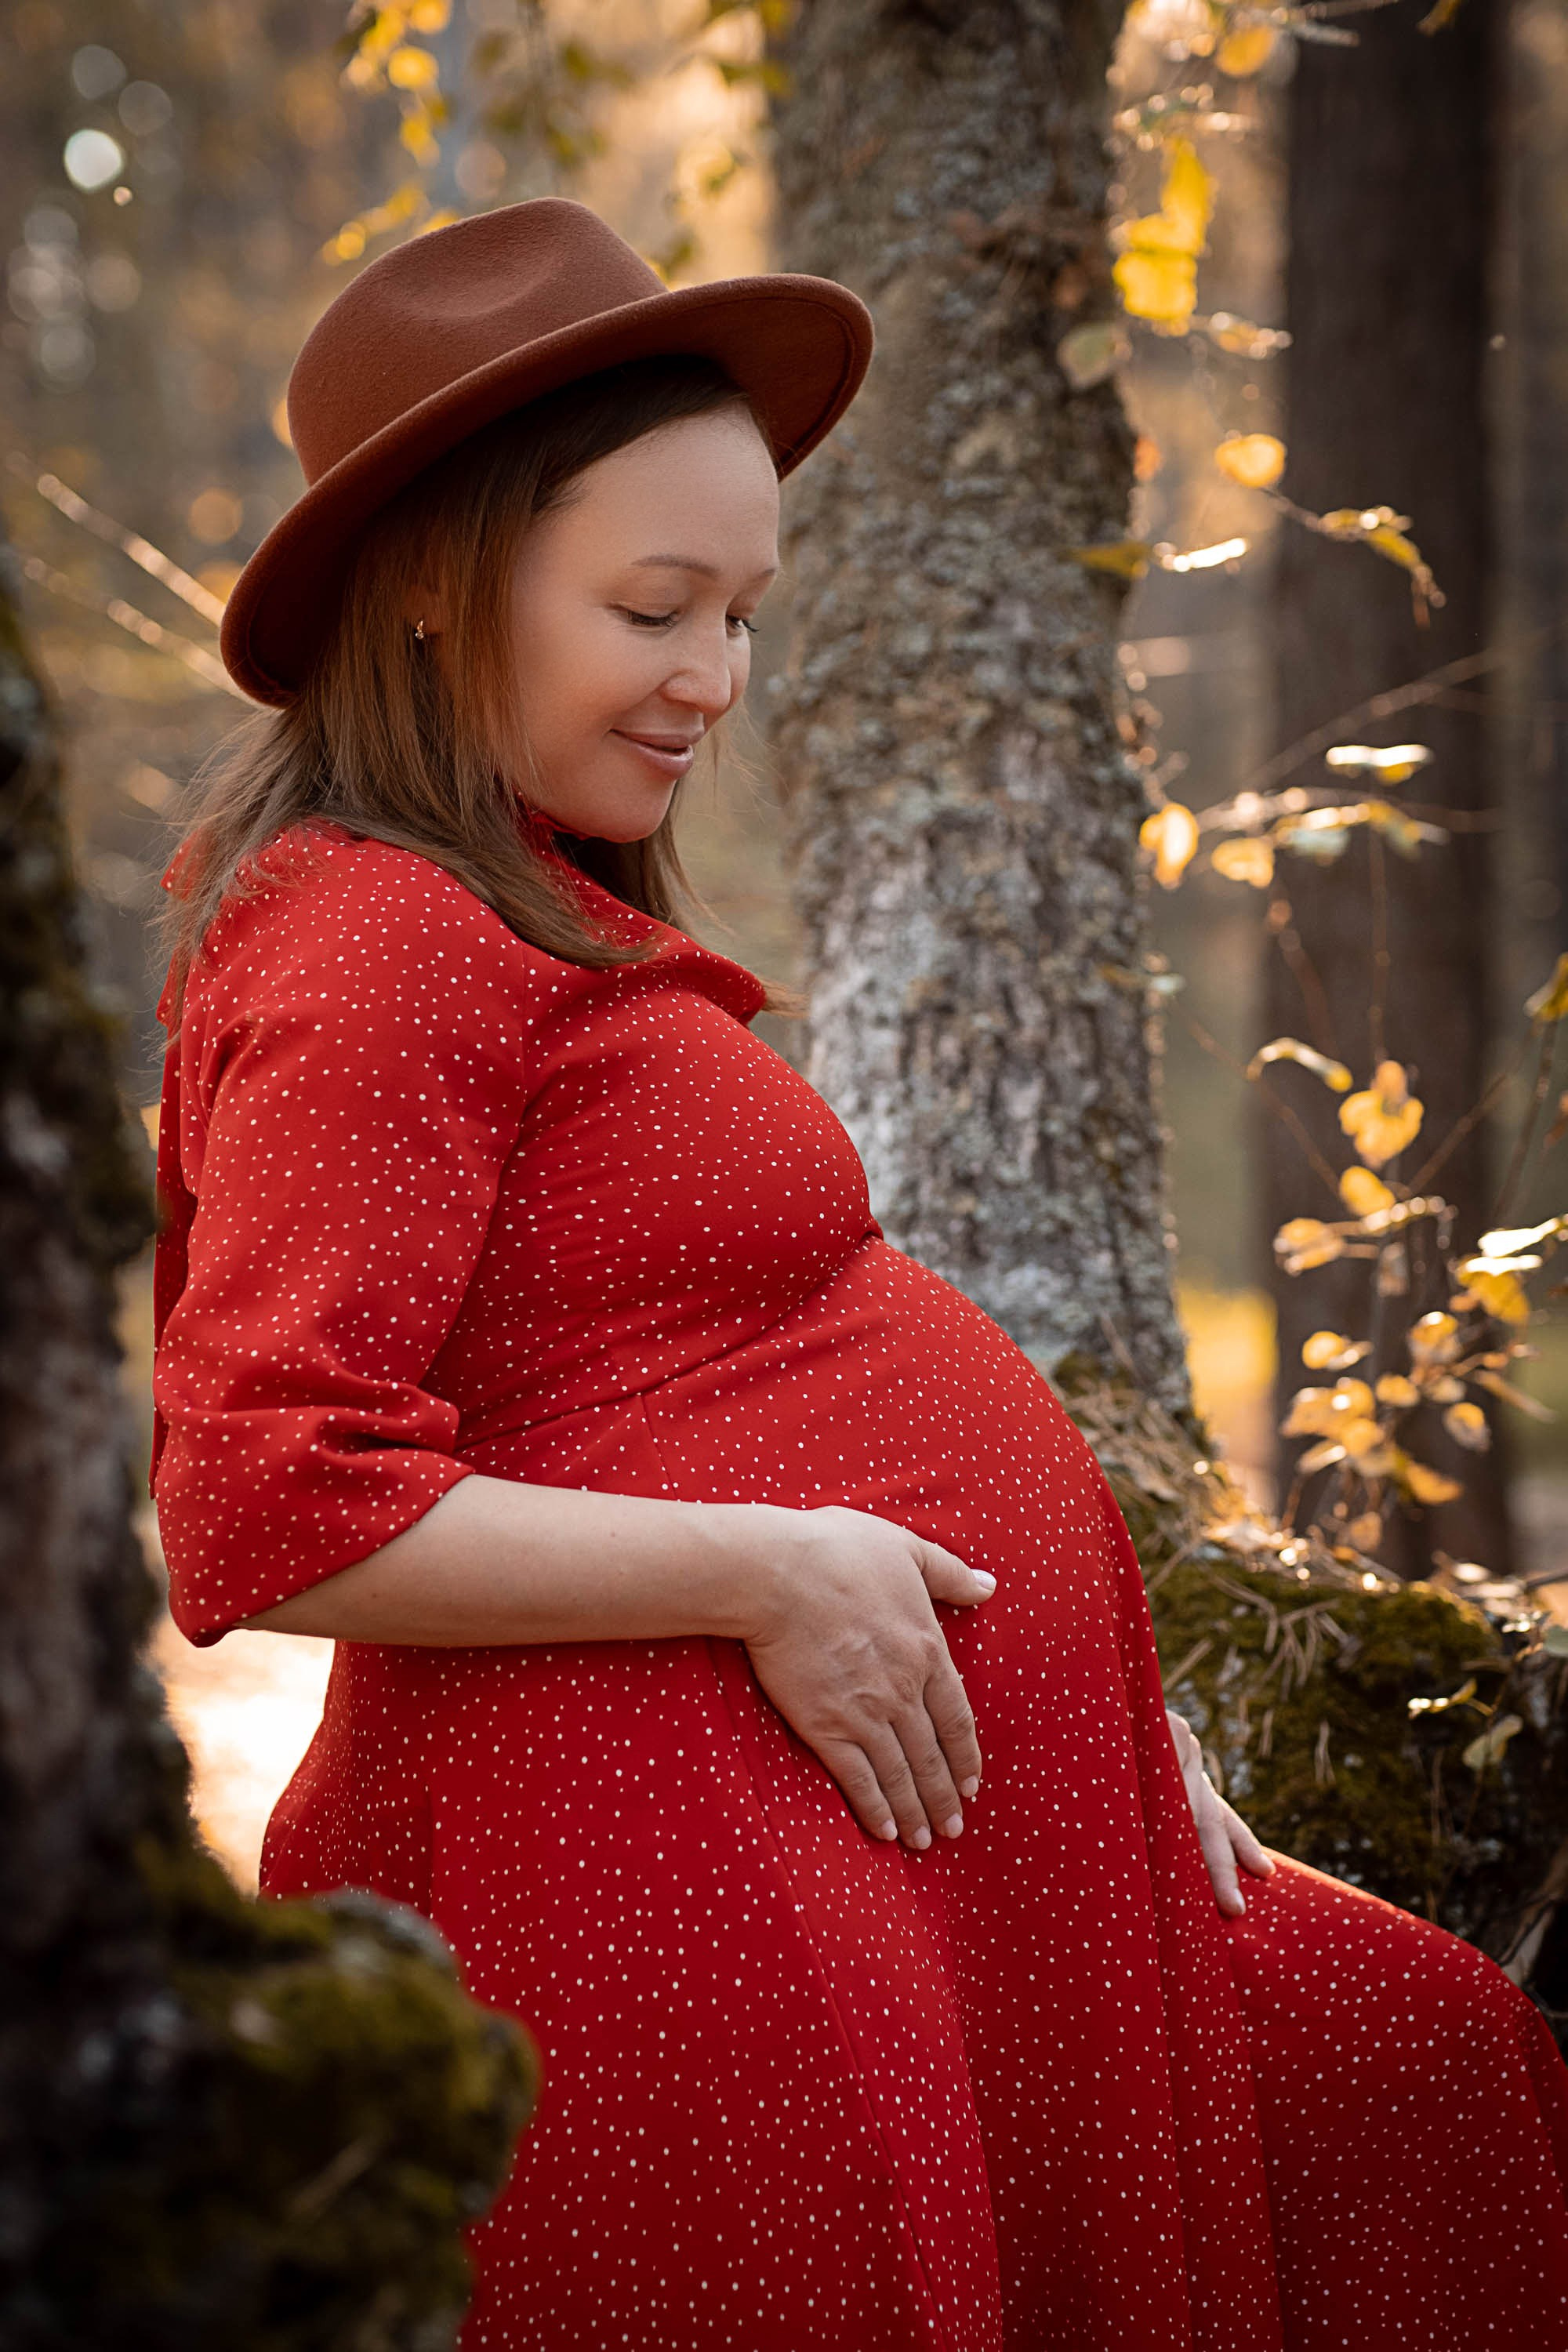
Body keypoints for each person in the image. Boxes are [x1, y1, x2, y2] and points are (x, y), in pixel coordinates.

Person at [149, 198, 1568, 2351]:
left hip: (913, 1839)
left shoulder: (508, 905)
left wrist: (1093, 1724)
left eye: (743, 613)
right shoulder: (373, 937)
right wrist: (773, 1570)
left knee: (1413, 2076)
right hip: (675, 1877)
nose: (716, 680)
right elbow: (265, 1502)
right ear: (433, 580)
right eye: (654, 609)